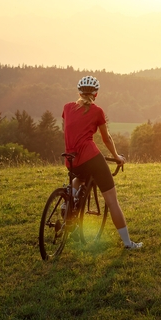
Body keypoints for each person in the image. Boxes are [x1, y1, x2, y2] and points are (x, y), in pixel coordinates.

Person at [62, 75, 142, 250]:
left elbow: (70, 129)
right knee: (112, 201)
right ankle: (128, 243)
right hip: (91, 158)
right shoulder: (97, 111)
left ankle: (68, 202)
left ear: (79, 92)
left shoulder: (67, 108)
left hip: (71, 159)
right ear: (96, 94)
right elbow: (106, 139)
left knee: (80, 178)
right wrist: (117, 156)